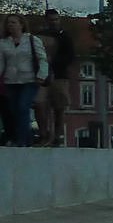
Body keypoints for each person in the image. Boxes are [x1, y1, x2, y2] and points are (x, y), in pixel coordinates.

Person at [0, 14, 49, 147]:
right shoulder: (4, 42)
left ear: (21, 24)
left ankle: (22, 140)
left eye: (14, 22)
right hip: (11, 81)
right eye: (9, 23)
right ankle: (24, 137)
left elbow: (42, 59)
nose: (11, 25)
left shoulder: (33, 40)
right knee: (14, 110)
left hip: (29, 80)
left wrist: (42, 75)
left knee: (23, 107)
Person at [39, 11, 75, 146]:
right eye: (51, 20)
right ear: (46, 21)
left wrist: (54, 61)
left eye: (56, 19)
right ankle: (44, 133)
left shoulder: (65, 36)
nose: (54, 22)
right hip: (42, 77)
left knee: (59, 108)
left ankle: (57, 136)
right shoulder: (40, 35)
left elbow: (70, 56)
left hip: (60, 76)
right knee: (40, 104)